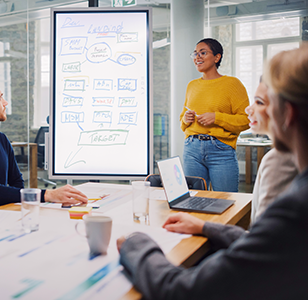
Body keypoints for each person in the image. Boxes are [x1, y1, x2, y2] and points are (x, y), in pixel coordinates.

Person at [117, 44, 308, 299]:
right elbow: (267, 242)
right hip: (193, 146)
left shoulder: (295, 207)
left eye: (263, 102)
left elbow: (181, 290)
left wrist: (135, 243)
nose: (254, 110)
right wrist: (207, 227)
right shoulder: (297, 200)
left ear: (289, 113)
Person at [0, 74, 88, 207]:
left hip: (4, 217)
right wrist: (47, 194)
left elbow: (17, 184)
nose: (5, 103)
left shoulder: (1, 139)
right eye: (0, 98)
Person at [180, 38, 249, 192]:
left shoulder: (232, 84)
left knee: (227, 201)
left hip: (221, 150)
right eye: (195, 54)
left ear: (217, 57)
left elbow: (246, 120)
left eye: (203, 53)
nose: (197, 57)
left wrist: (217, 118)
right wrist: (185, 119)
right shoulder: (192, 86)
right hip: (191, 148)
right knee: (194, 200)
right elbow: (182, 120)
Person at [245, 81, 298, 222]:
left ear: (287, 110)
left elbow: (264, 238)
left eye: (259, 102)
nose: (248, 109)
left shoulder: (280, 159)